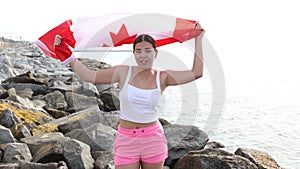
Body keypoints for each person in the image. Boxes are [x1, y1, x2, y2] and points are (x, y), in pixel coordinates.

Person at [53, 22, 204, 169]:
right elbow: (89, 76)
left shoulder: (163, 77)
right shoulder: (123, 72)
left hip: (153, 139)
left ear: (155, 53)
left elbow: (197, 72)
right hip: (126, 139)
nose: (143, 55)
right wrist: (65, 52)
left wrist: (198, 39)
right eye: (138, 51)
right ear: (134, 54)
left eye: (147, 50)